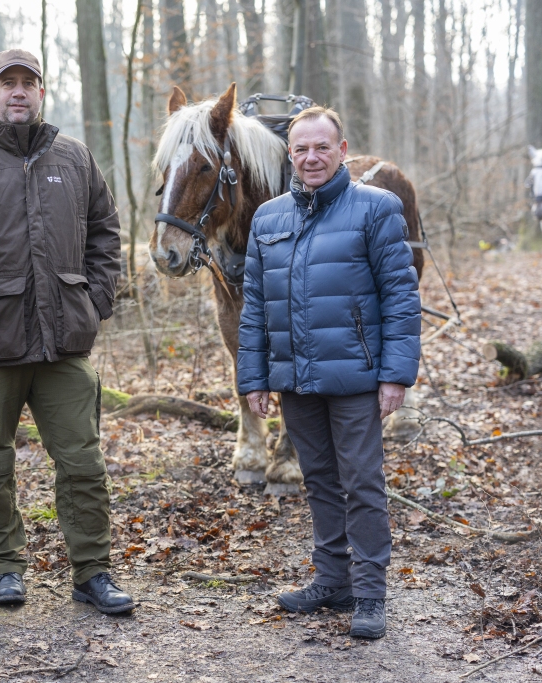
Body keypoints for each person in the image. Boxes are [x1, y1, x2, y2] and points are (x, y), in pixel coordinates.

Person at [0, 49, 132, 614]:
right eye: (7, 83)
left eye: (28, 84)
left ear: (42, 92)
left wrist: (95, 302)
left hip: (64, 345)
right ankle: (6, 566)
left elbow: (107, 234)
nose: (18, 92)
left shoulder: (76, 158)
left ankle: (92, 572)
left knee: (83, 462)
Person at [237, 107, 421, 639]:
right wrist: (254, 376)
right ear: (289, 155)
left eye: (322, 147)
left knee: (362, 482)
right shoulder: (268, 218)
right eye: (301, 149)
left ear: (342, 151)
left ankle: (368, 593)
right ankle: (332, 579)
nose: (311, 157)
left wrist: (395, 375)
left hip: (358, 375)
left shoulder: (377, 208)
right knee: (317, 480)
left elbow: (400, 297)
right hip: (295, 378)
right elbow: (254, 306)